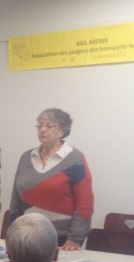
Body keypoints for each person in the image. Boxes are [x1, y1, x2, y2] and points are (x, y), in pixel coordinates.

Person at [10, 108, 93, 251]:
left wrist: (75, 239)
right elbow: (15, 199)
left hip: (61, 238)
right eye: (40, 125)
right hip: (26, 234)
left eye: (49, 126)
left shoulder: (75, 158)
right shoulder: (26, 157)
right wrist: (12, 231)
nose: (43, 130)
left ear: (62, 130)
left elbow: (85, 202)